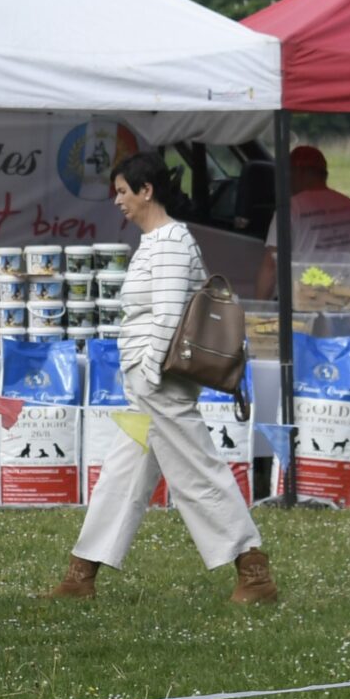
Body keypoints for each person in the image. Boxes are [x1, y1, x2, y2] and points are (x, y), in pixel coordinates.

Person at [44, 152, 278, 604]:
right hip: (146, 378)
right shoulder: (156, 241)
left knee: (196, 471)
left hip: (159, 378)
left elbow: (170, 314)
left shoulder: (170, 241)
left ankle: (253, 569)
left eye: (123, 192)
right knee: (123, 474)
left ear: (147, 191)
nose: (118, 201)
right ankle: (82, 572)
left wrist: (148, 370)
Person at [255, 145, 350, 298]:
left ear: (298, 172)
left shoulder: (290, 209)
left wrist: (259, 308)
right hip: (343, 300)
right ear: (324, 174)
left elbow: (271, 267)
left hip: (302, 301)